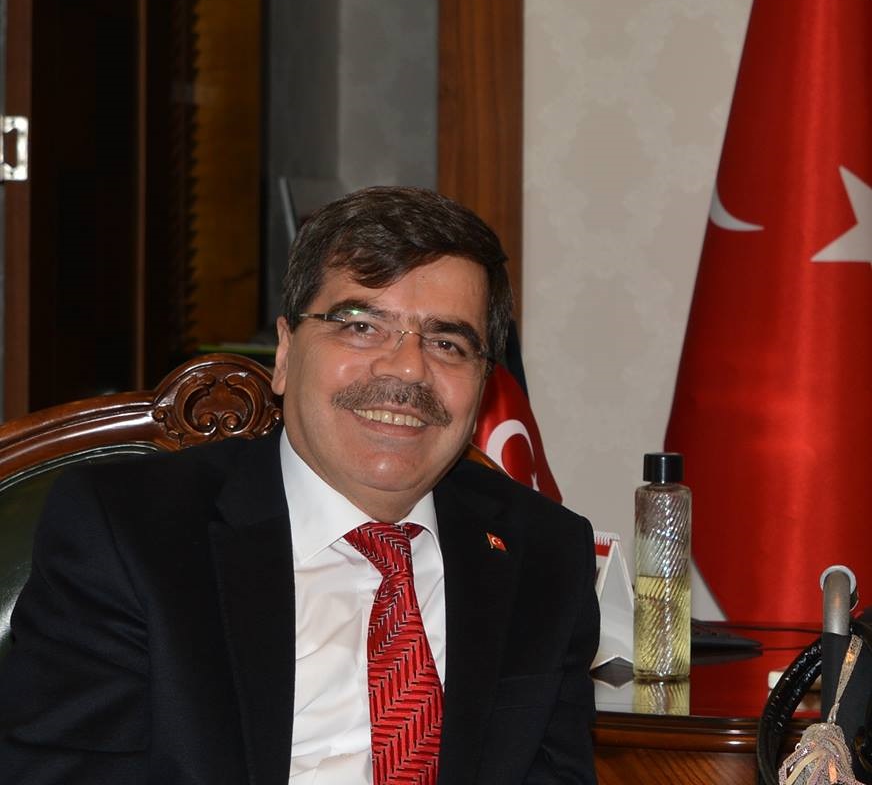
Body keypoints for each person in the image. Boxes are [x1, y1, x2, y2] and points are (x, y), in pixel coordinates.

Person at [0, 186, 600, 784]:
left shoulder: (545, 554)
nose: (407, 368)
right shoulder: (130, 532)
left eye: (447, 343)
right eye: (361, 326)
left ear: (483, 382)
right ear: (285, 353)